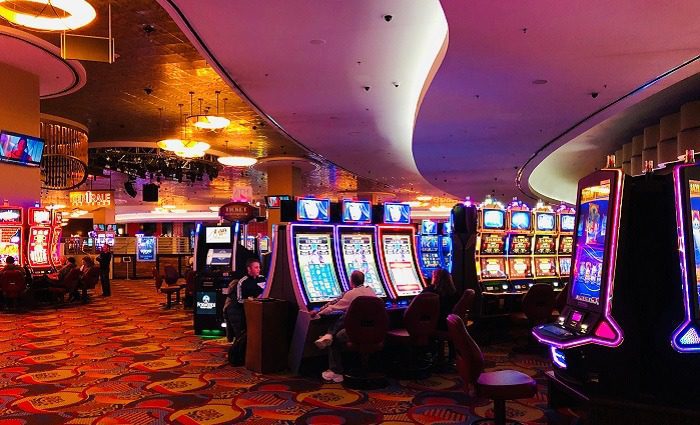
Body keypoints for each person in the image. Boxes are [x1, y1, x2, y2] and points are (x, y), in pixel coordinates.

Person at [312, 270, 378, 383]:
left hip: (355, 332)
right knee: (347, 316)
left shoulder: (351, 294)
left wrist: (317, 313)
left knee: (335, 338)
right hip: (374, 330)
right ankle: (329, 334)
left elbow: (333, 307)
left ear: (351, 281)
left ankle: (336, 370)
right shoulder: (372, 292)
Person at [223, 258, 266, 365]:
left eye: (259, 267)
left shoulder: (263, 279)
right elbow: (239, 299)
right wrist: (253, 300)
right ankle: (239, 357)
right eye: (256, 267)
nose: (258, 269)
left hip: (260, 310)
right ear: (249, 269)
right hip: (241, 311)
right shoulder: (243, 282)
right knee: (242, 335)